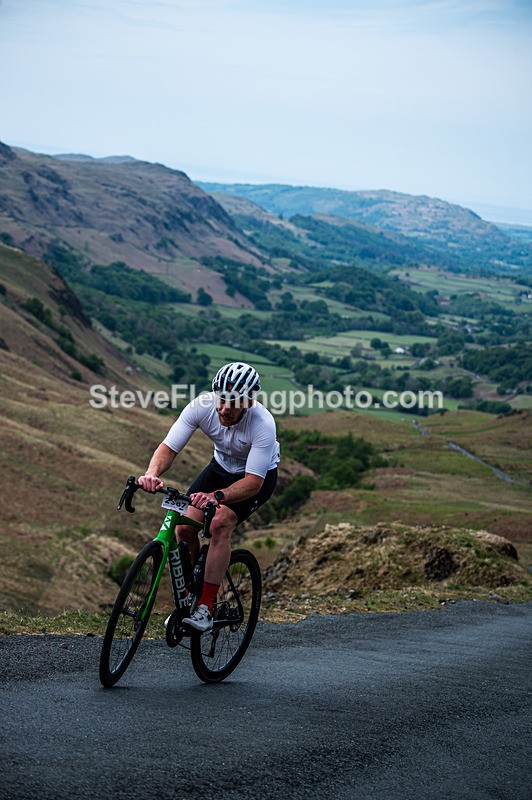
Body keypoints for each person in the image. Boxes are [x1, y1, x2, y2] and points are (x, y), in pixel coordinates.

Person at [138, 361, 280, 632]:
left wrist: (218, 497)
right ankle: (191, 593)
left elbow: (253, 482)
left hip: (253, 479)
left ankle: (205, 606)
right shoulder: (201, 406)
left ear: (249, 402)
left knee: (219, 523)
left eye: (234, 402)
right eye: (222, 399)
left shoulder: (263, 424)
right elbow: (169, 447)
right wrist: (152, 473)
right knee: (183, 525)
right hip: (219, 468)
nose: (225, 409)